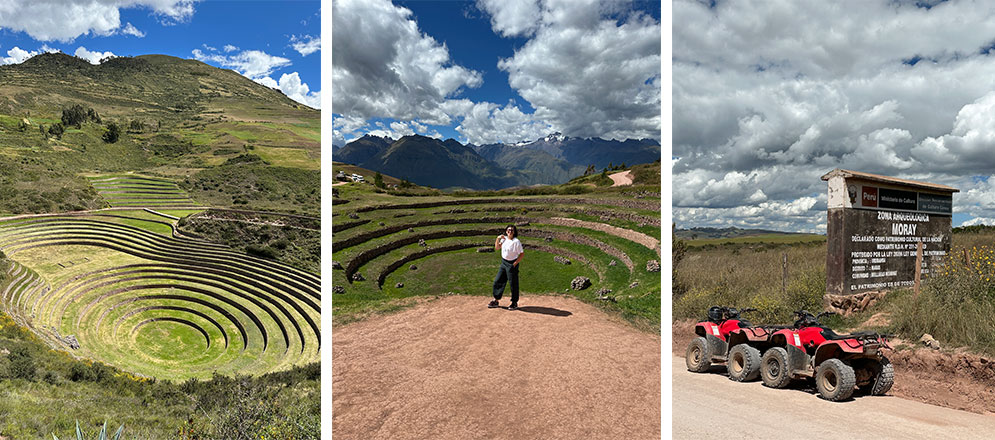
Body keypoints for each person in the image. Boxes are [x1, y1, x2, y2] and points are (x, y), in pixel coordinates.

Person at [489, 224, 524, 310]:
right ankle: (496, 300)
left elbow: (521, 254)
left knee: (513, 284)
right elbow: (497, 248)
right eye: (508, 230)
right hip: (504, 263)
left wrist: (514, 264)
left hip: (512, 264)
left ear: (514, 232)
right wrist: (497, 238)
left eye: (512, 230)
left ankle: (514, 303)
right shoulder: (504, 239)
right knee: (498, 281)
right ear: (506, 231)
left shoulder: (516, 242)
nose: (510, 231)